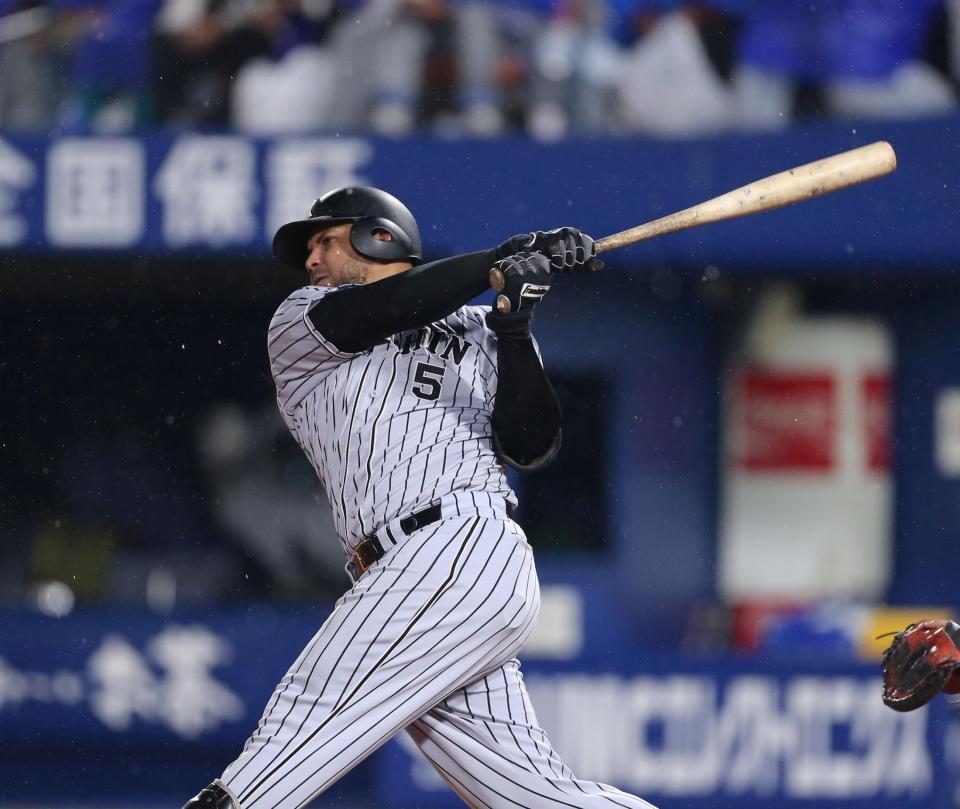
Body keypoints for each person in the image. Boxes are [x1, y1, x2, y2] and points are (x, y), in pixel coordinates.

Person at [183, 186, 659, 809]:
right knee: (533, 797)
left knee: (307, 713)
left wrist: (513, 328)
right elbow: (390, 306)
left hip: (458, 547)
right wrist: (499, 259)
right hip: (413, 574)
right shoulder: (302, 320)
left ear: (378, 237)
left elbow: (531, 445)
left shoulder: (482, 329)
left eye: (325, 241)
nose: (311, 260)